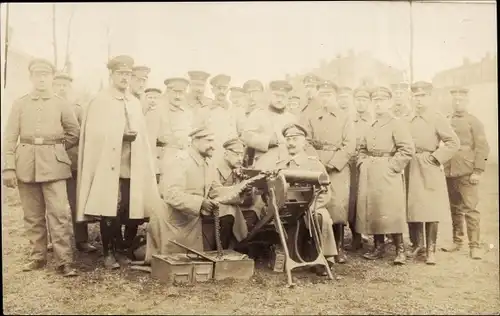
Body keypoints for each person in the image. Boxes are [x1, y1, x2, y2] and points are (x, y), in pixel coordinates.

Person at [76, 55, 162, 269]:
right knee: (109, 208)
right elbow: (94, 134)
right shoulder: (100, 101)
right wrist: (119, 136)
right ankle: (108, 252)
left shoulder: (134, 102)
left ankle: (124, 249)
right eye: (121, 74)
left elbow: (142, 133)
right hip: (108, 165)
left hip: (131, 164)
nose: (125, 78)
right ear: (111, 75)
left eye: (128, 74)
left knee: (129, 208)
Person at [2, 58, 79, 276]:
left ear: (52, 78)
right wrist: (8, 167)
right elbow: (9, 138)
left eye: (46, 75)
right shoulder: (20, 103)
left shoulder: (61, 103)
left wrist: (57, 149)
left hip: (54, 166)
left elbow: (74, 132)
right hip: (25, 163)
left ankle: (64, 260)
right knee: (32, 214)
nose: (42, 79)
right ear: (31, 77)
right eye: (37, 75)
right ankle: (38, 255)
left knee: (58, 214)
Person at [145, 125, 249, 261]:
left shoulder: (208, 163)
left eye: (213, 141)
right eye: (209, 141)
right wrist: (201, 203)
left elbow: (215, 190)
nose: (213, 146)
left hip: (190, 221)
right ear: (194, 141)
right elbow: (170, 194)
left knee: (191, 263)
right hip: (172, 223)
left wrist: (240, 189)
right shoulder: (179, 160)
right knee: (171, 263)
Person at [356, 86, 415, 265]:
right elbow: (361, 149)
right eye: (375, 101)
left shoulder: (396, 123)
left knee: (391, 209)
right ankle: (378, 247)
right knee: (374, 209)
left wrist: (392, 167)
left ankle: (400, 250)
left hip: (388, 171)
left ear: (389, 102)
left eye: (382, 101)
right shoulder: (370, 126)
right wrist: (362, 163)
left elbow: (407, 149)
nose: (378, 104)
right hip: (370, 171)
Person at [301, 79, 355, 264]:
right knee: (318, 204)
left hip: (338, 167)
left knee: (338, 206)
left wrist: (333, 163)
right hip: (316, 165)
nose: (325, 98)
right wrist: (317, 161)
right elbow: (305, 141)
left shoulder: (345, 117)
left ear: (335, 96)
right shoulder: (310, 116)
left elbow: (350, 145)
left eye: (329, 94)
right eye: (322, 94)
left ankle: (338, 247)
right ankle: (317, 246)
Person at [274, 123, 338, 276]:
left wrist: (311, 207)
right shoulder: (280, 165)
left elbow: (325, 192)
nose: (291, 143)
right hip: (287, 209)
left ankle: (323, 259)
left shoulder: (314, 164)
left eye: (295, 139)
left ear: (304, 142)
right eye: (288, 139)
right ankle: (289, 256)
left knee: (322, 217)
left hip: (312, 206)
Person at [405, 81, 459, 264]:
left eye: (423, 96)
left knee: (430, 208)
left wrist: (436, 158)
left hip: (429, 165)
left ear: (430, 97)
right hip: (410, 165)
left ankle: (431, 250)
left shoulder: (437, 118)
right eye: (416, 97)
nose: (419, 101)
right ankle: (417, 245)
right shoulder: (407, 117)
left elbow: (453, 142)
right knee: (412, 206)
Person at [442, 87, 490, 260]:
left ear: (467, 101)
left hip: (467, 171)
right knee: (454, 208)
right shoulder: (446, 119)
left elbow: (483, 148)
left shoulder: (474, 122)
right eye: (454, 99)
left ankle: (474, 246)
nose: (457, 102)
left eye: (461, 99)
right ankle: (457, 241)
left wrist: (477, 170)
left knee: (470, 208)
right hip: (450, 171)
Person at [53, 71, 97, 254]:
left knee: (76, 201)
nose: (61, 88)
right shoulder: (48, 106)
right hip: (51, 163)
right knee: (53, 202)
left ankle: (82, 240)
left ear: (70, 87)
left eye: (65, 85)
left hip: (72, 163)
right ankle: (53, 239)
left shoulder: (78, 108)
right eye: (58, 85)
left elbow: (82, 135)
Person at [213, 138, 266, 248]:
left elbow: (248, 198)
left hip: (234, 205)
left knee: (257, 210)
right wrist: (239, 189)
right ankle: (220, 251)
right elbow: (215, 193)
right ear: (226, 154)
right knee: (229, 214)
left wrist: (248, 190)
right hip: (218, 205)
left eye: (241, 155)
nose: (240, 159)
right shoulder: (214, 168)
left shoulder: (239, 170)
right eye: (236, 154)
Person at [241, 80, 297, 169]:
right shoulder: (258, 114)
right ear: (270, 96)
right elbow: (246, 137)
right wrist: (268, 141)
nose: (279, 99)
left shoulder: (292, 118)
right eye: (276, 96)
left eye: (283, 96)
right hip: (264, 163)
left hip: (288, 163)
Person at [346, 86, 373, 251]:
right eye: (358, 100)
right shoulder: (348, 120)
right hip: (350, 164)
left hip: (367, 164)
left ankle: (373, 236)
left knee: (367, 199)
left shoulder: (373, 121)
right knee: (351, 200)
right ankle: (355, 237)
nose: (360, 103)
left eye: (364, 100)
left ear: (368, 102)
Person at [161, 77, 196, 167]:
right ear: (168, 92)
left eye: (181, 93)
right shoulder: (159, 111)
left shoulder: (189, 113)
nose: (178, 96)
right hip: (164, 161)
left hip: (184, 161)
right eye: (175, 92)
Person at [206, 74, 238, 158]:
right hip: (212, 154)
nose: (222, 91)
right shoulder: (206, 109)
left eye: (224, 88)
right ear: (213, 90)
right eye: (219, 88)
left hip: (230, 155)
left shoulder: (234, 109)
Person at [141, 87, 167, 183]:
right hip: (144, 144)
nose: (152, 100)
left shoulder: (162, 113)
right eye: (150, 97)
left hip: (156, 147)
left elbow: (163, 132)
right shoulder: (142, 112)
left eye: (155, 98)